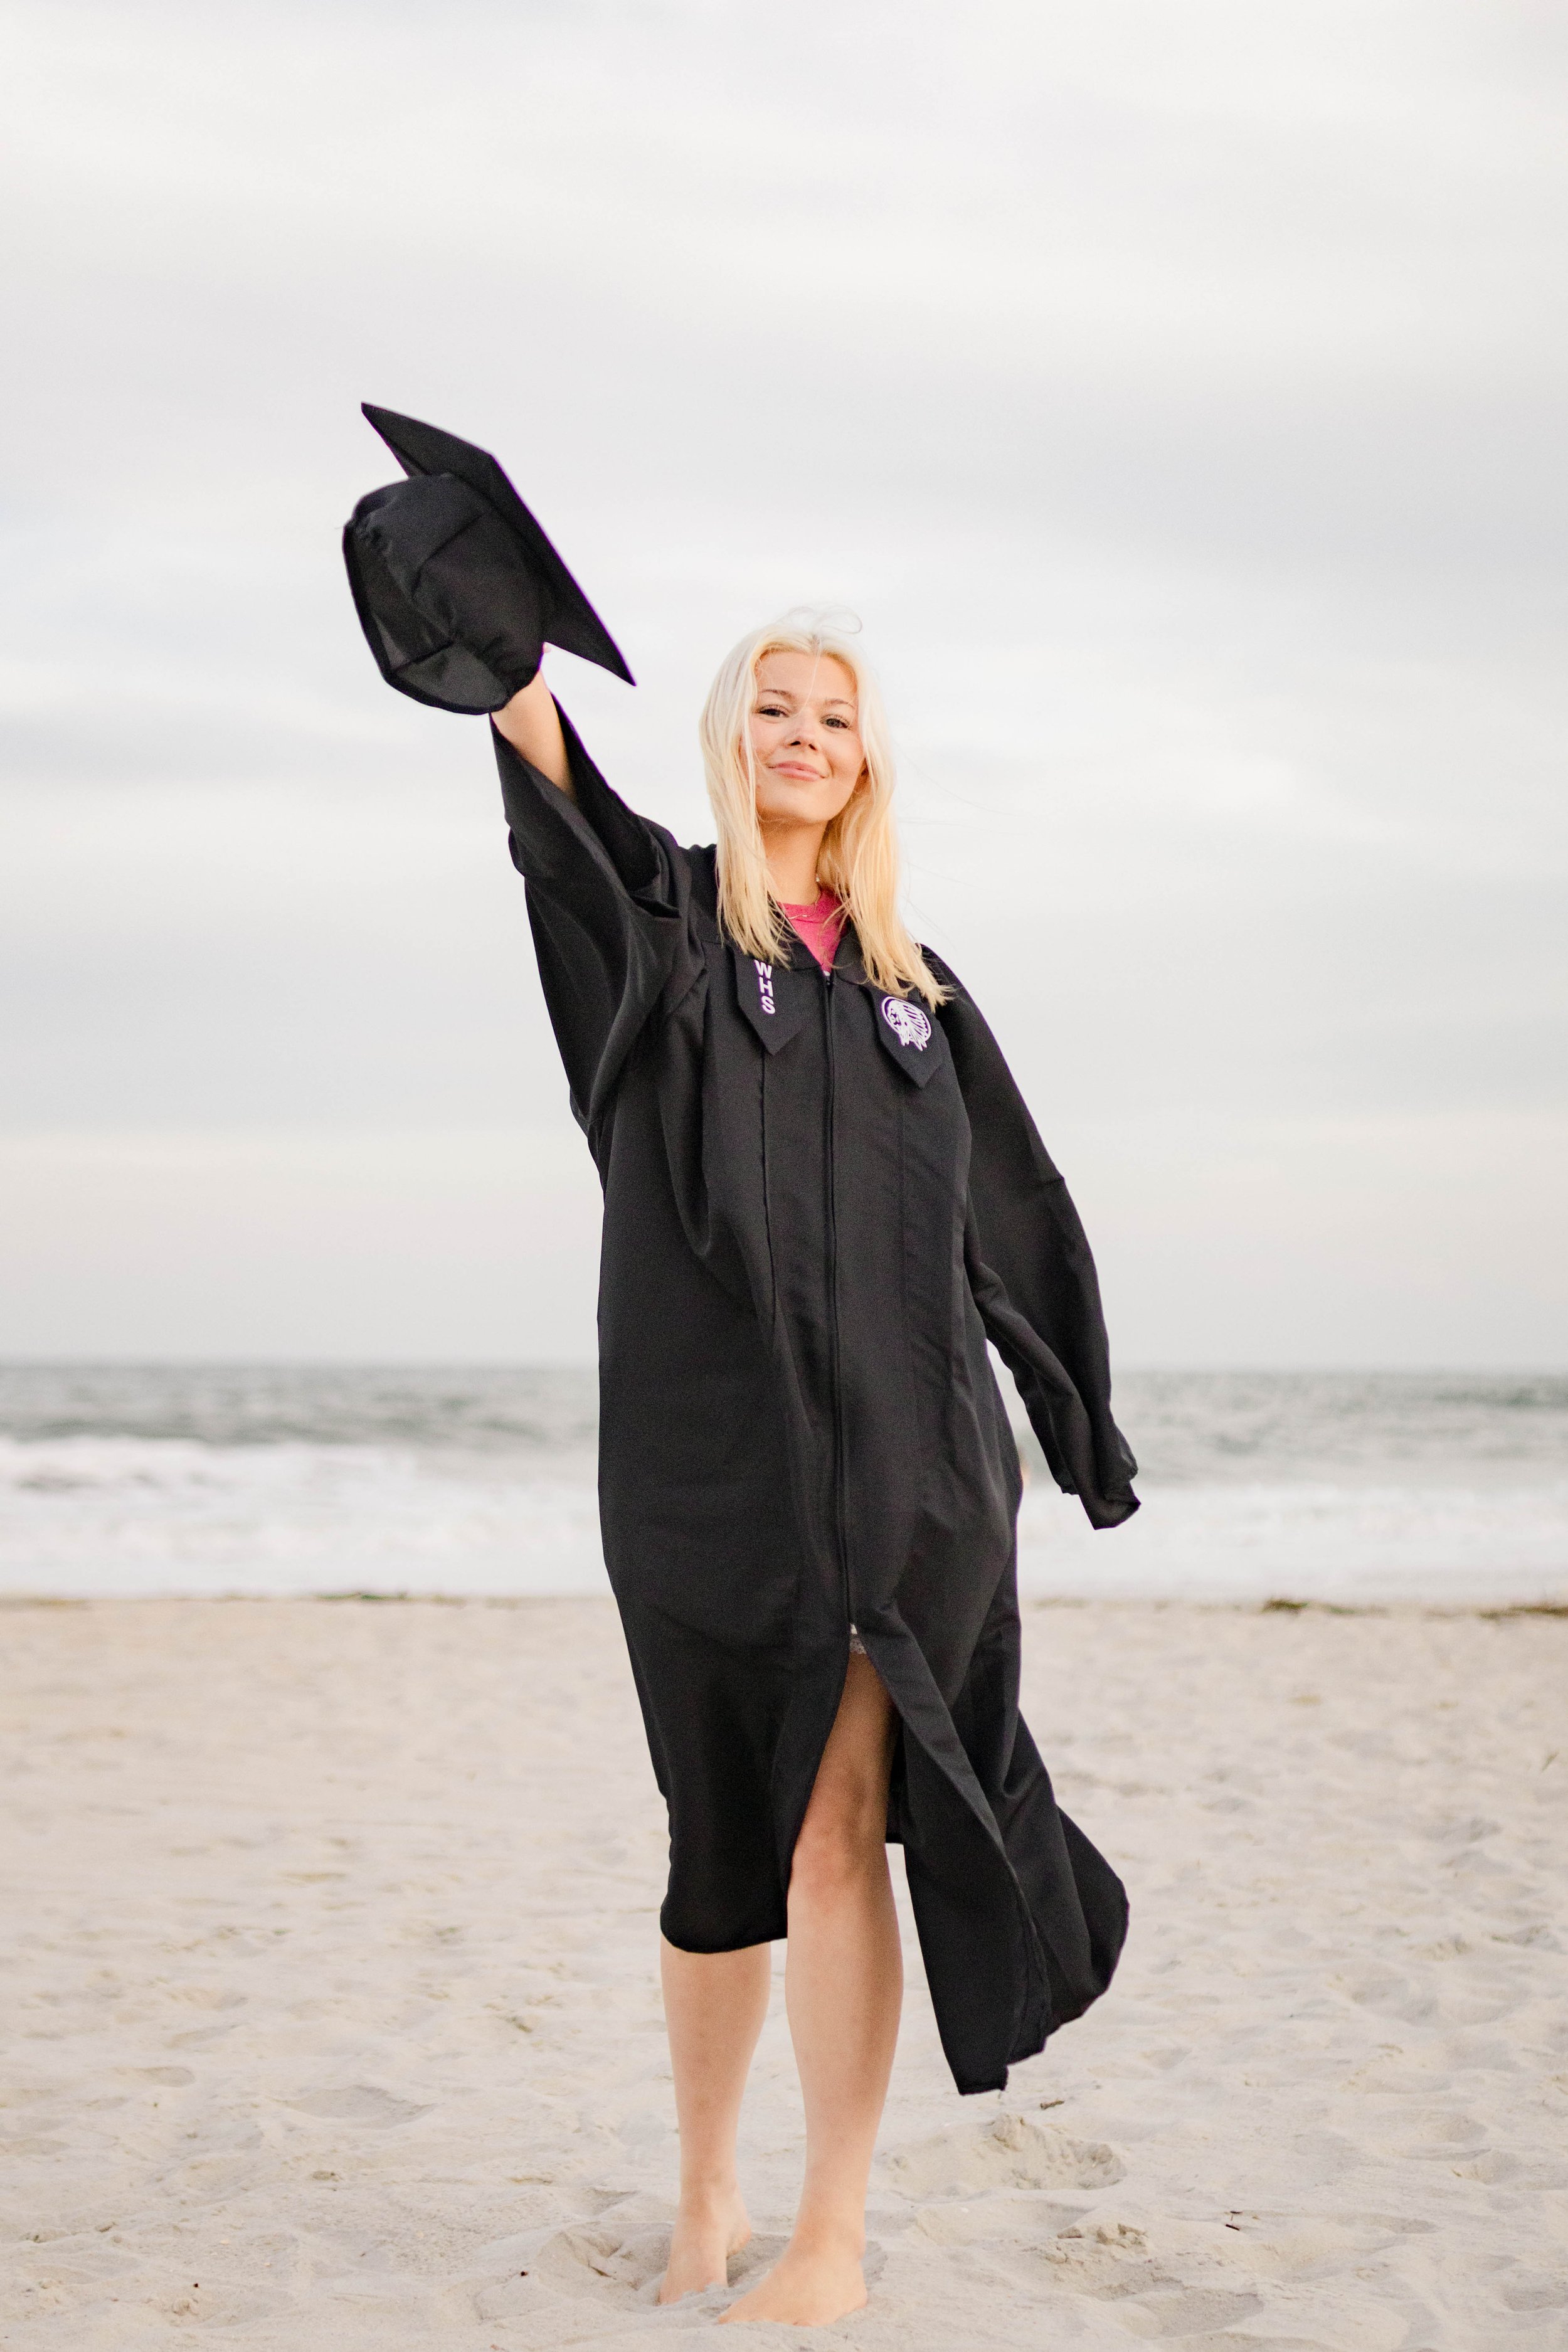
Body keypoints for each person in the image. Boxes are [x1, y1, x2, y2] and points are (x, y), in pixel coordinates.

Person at [342, 416, 1138, 2328]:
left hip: (917, 1479)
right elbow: (541, 764)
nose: (802, 736)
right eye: (772, 707)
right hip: (713, 1469)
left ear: (868, 761)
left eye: (834, 717)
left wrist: (1077, 1429)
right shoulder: (664, 938)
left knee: (843, 1823)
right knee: (726, 1841)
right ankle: (703, 2188)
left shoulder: (914, 998)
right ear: (731, 735)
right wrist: (473, 598)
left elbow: (1017, 1224)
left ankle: (832, 2231)